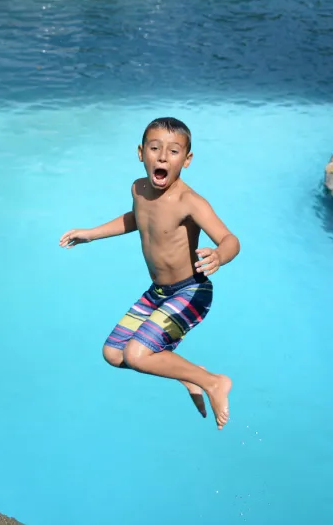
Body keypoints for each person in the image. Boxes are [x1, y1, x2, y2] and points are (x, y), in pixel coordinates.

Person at [59, 117, 238, 430]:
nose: (163, 157)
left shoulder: (189, 201)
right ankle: (187, 373)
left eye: (173, 151)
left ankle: (213, 382)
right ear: (141, 153)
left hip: (191, 291)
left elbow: (230, 239)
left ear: (187, 160)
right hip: (158, 292)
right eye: (155, 149)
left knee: (138, 354)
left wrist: (219, 255)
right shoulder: (139, 189)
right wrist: (91, 233)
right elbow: (136, 219)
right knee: (114, 354)